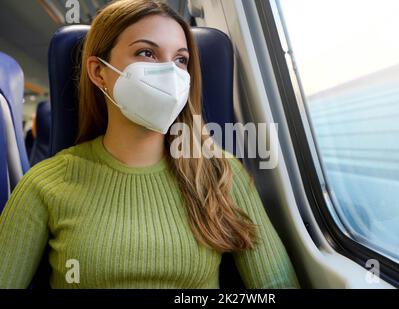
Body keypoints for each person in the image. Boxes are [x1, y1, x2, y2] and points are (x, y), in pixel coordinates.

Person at [0, 0, 300, 289]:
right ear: (98, 72)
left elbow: (275, 285)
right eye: (146, 53)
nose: (170, 74)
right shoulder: (45, 184)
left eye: (180, 59)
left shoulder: (219, 171)